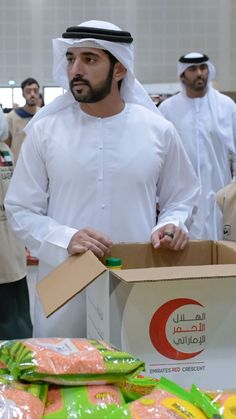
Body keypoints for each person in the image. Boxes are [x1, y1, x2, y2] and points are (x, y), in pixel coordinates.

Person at [5, 20, 199, 338]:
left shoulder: (158, 130)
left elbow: (182, 195)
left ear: (119, 69)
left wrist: (172, 223)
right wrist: (65, 238)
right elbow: (21, 209)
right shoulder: (44, 131)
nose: (75, 69)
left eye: (89, 59)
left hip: (136, 288)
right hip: (64, 295)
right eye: (70, 59)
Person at [159, 52, 236, 240]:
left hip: (220, 190)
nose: (199, 73)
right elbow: (160, 154)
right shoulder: (168, 108)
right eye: (192, 69)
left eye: (203, 68)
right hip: (182, 194)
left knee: (222, 242)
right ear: (182, 75)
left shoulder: (226, 106)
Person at [0, 107, 32, 339]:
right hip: (11, 246)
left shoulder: (5, 152)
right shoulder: (6, 151)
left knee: (12, 315)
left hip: (9, 245)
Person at [6, 77, 40, 161]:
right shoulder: (12, 117)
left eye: (35, 91)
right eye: (28, 91)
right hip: (18, 166)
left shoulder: (43, 115)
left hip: (39, 166)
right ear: (23, 94)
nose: (32, 94)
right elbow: (7, 146)